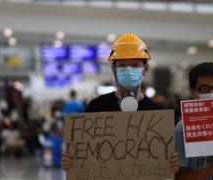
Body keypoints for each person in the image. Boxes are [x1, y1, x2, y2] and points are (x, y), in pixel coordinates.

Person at [62, 34, 161, 170]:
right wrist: (72, 162)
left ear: (145, 69)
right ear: (114, 69)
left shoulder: (158, 113)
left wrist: (171, 164)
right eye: (122, 65)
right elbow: (83, 158)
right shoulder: (96, 107)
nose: (128, 70)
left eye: (135, 65)